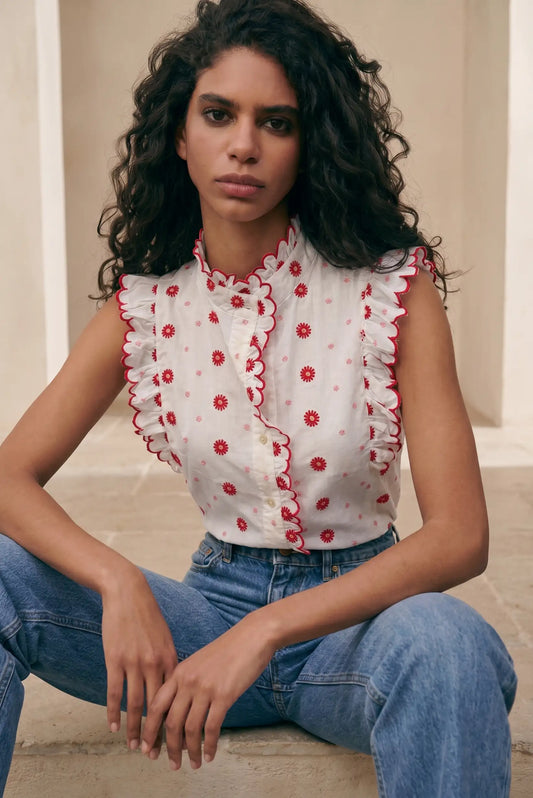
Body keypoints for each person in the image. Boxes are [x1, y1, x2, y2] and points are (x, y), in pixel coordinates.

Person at [0, 0, 517, 795]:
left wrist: (268, 630)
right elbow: (8, 477)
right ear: (180, 135)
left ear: (309, 144)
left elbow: (458, 539)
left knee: (447, 640)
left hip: (360, 627)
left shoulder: (390, 293)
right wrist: (118, 580)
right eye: (218, 114)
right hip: (204, 618)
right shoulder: (146, 308)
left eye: (276, 122)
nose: (243, 145)